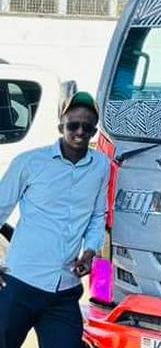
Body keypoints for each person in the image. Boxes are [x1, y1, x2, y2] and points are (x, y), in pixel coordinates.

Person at [0, 91, 109, 348]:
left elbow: (97, 215)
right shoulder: (29, 162)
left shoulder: (101, 166)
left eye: (87, 127)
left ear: (94, 131)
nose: (80, 131)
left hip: (64, 289)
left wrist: (90, 250)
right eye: (73, 125)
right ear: (61, 126)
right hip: (20, 283)